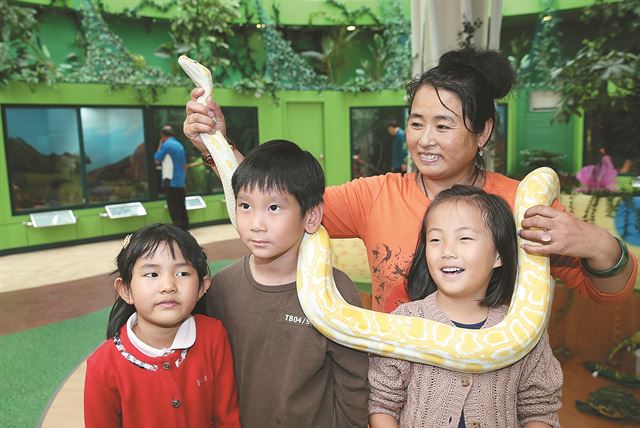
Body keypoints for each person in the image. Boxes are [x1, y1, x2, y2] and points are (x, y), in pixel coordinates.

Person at [183, 46, 637, 315]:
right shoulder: (375, 194)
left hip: (495, 402)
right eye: (416, 123)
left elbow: (608, 291)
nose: (424, 140)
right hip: (398, 397)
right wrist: (216, 143)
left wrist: (595, 243)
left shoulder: (520, 202)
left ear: (483, 132)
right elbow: (279, 201)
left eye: (443, 125)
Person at [369, 185, 562, 428]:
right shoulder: (405, 322)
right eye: (435, 240)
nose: (447, 251)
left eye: (465, 239)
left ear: (498, 255)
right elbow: (381, 406)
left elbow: (541, 410)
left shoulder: (524, 328)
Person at [207, 140, 370, 428]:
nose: (256, 223)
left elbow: (353, 385)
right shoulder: (221, 288)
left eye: (274, 208)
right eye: (245, 206)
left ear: (311, 217)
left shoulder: (336, 292)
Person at [83, 223, 244, 428]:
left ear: (202, 287)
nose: (168, 286)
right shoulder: (103, 366)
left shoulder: (213, 335)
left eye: (182, 273)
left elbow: (228, 420)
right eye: (152, 274)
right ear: (125, 289)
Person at [155, 125, 189, 230]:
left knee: (173, 206)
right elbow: (184, 165)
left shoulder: (167, 145)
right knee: (181, 204)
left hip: (170, 180)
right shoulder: (179, 145)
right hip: (180, 180)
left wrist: (160, 144)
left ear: (162, 135)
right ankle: (185, 227)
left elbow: (157, 159)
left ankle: (178, 229)